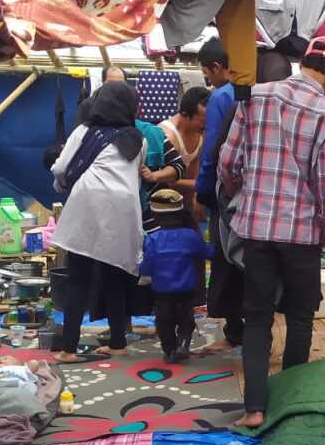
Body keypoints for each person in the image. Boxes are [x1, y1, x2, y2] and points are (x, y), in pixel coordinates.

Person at [220, 36, 325, 428]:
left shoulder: (255, 96)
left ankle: (254, 408)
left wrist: (242, 194)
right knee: (299, 316)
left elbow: (229, 160)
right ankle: (290, 403)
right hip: (302, 233)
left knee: (258, 318)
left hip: (257, 227)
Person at [50, 82, 146, 363]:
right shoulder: (138, 139)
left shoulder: (84, 131)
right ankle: (118, 342)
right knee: (114, 276)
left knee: (79, 278)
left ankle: (69, 348)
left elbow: (61, 167)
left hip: (89, 204)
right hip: (124, 208)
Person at [192, 38, 243, 353]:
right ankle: (250, 331)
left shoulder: (221, 98)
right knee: (247, 262)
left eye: (206, 73)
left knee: (226, 260)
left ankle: (235, 332)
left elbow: (213, 149)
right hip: (254, 195)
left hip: (226, 194)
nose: (206, 80)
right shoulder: (257, 91)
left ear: (217, 66)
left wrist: (202, 191)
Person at [139, 189, 212, 363]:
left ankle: (169, 350)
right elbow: (206, 252)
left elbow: (147, 266)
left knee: (164, 321)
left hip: (162, 291)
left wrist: (140, 269)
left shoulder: (153, 239)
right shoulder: (191, 236)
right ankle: (184, 343)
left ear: (155, 217)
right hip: (186, 288)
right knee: (186, 317)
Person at [158, 86, 210, 210]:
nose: (207, 124)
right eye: (202, 121)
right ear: (185, 115)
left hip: (180, 192)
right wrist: (203, 186)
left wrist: (193, 200)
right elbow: (167, 182)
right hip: (162, 195)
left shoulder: (200, 130)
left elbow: (193, 163)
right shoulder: (168, 136)